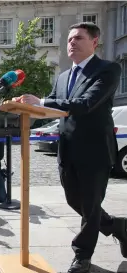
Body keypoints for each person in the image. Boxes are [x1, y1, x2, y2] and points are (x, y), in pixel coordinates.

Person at [14, 22, 127, 273]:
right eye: (69, 39)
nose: (72, 43)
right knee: (76, 200)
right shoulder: (64, 76)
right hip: (67, 148)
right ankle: (115, 226)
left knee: (90, 204)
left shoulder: (108, 69)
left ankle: (82, 255)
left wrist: (41, 100)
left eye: (78, 38)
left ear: (94, 42)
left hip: (95, 150)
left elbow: (86, 103)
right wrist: (27, 108)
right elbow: (55, 109)